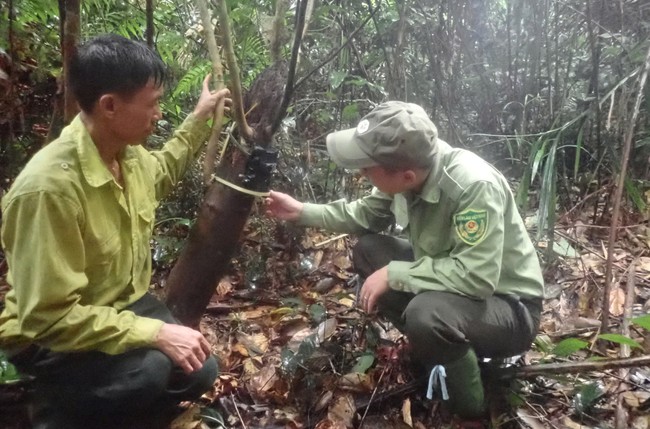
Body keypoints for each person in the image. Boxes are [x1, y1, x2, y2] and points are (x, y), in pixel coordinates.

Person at [0, 34, 230, 428]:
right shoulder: (48, 190)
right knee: (148, 373)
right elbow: (48, 320)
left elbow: (161, 172)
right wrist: (153, 332)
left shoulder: (129, 156)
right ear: (109, 106)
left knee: (200, 369)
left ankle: (115, 411)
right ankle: (49, 411)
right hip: (49, 336)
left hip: (118, 304)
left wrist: (199, 119)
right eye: (153, 103)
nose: (158, 114)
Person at [265, 101, 545, 422]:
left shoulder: (471, 187)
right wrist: (301, 211)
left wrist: (396, 274)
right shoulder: (409, 167)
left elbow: (477, 277)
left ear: (407, 175)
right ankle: (438, 353)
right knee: (369, 251)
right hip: (455, 285)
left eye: (367, 167)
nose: (361, 172)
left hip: (509, 307)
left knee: (425, 315)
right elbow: (363, 214)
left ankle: (469, 408)